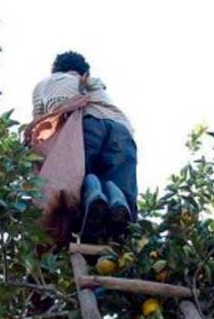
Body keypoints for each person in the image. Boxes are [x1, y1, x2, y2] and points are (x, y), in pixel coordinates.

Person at [32, 51, 138, 242]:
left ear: (56, 70)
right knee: (119, 181)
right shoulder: (96, 83)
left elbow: (40, 124)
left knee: (78, 175)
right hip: (122, 129)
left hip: (87, 124)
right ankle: (121, 216)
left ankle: (92, 202)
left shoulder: (49, 83)